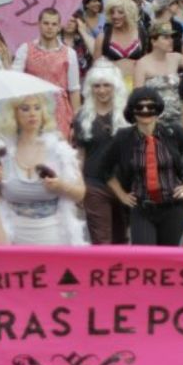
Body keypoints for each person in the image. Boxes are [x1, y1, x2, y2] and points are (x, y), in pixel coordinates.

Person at [101, 87, 183, 246]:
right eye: (140, 107)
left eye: (150, 107)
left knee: (168, 258)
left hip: (173, 207)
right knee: (145, 259)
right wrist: (122, 195)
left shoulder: (173, 132)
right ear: (132, 111)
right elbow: (104, 167)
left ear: (158, 110)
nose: (145, 111)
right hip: (142, 208)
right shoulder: (123, 138)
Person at [0, 95, 87, 245]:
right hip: (13, 240)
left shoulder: (58, 148)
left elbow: (80, 194)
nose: (32, 113)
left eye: (37, 108)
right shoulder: (3, 152)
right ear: (14, 114)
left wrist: (61, 186)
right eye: (25, 109)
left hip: (54, 238)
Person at [75, 60, 130, 245]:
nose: (102, 90)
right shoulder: (82, 117)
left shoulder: (128, 114)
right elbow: (80, 155)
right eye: (97, 86)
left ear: (115, 86)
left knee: (121, 239)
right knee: (101, 241)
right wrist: (79, 187)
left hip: (123, 185)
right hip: (94, 184)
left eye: (106, 85)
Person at [12, 8, 81, 142]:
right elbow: (15, 81)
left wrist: (76, 123)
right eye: (46, 23)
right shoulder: (25, 49)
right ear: (39, 24)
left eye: (54, 24)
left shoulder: (69, 53)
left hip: (60, 112)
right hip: (32, 110)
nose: (50, 27)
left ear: (59, 27)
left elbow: (74, 90)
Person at [96, 0, 146, 89]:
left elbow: (148, 61)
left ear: (129, 13)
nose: (115, 16)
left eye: (120, 12)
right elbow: (96, 70)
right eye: (112, 12)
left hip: (138, 87)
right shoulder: (102, 37)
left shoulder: (141, 34)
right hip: (112, 90)